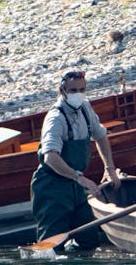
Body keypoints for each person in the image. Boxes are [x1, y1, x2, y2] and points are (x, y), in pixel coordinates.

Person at [30, 70, 121, 249]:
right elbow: (50, 157)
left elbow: (101, 136)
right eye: (73, 90)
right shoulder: (55, 119)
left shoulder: (85, 107)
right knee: (50, 245)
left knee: (89, 237)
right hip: (51, 188)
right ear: (62, 91)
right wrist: (79, 177)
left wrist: (109, 169)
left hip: (76, 188)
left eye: (82, 89)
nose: (78, 94)